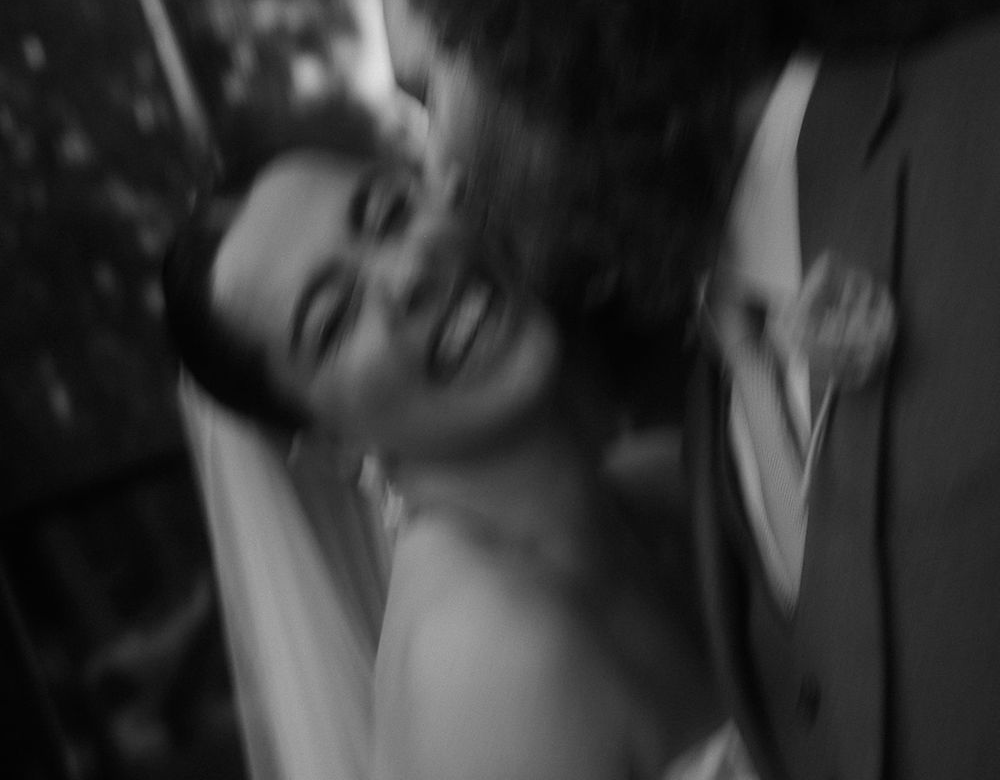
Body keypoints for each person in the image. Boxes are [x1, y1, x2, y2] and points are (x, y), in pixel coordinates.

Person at [374, 0, 1000, 780]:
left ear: (550, 5)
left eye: (428, 88)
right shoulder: (713, 382)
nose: (439, 168)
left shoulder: (980, 124)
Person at [162, 143, 739, 780]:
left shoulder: (670, 488)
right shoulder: (488, 661)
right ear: (331, 444)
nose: (408, 273)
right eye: (336, 317)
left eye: (389, 215)